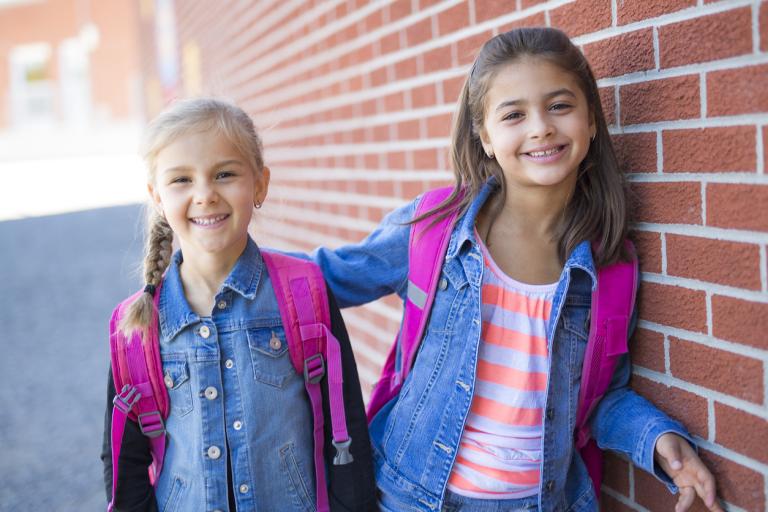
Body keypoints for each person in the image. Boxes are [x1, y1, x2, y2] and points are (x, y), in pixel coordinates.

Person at [308, 28, 722, 512]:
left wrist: (656, 440)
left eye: (560, 106)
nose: (541, 127)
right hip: (410, 496)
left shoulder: (610, 266)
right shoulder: (434, 229)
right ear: (484, 135)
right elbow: (323, 278)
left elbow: (598, 399)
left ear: (591, 120)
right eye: (514, 115)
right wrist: (218, 261)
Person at [100, 98, 375, 512]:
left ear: (260, 184)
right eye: (181, 180)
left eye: (224, 174)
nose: (205, 195)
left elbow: (346, 424)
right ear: (157, 197)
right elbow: (124, 462)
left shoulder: (305, 293)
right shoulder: (137, 325)